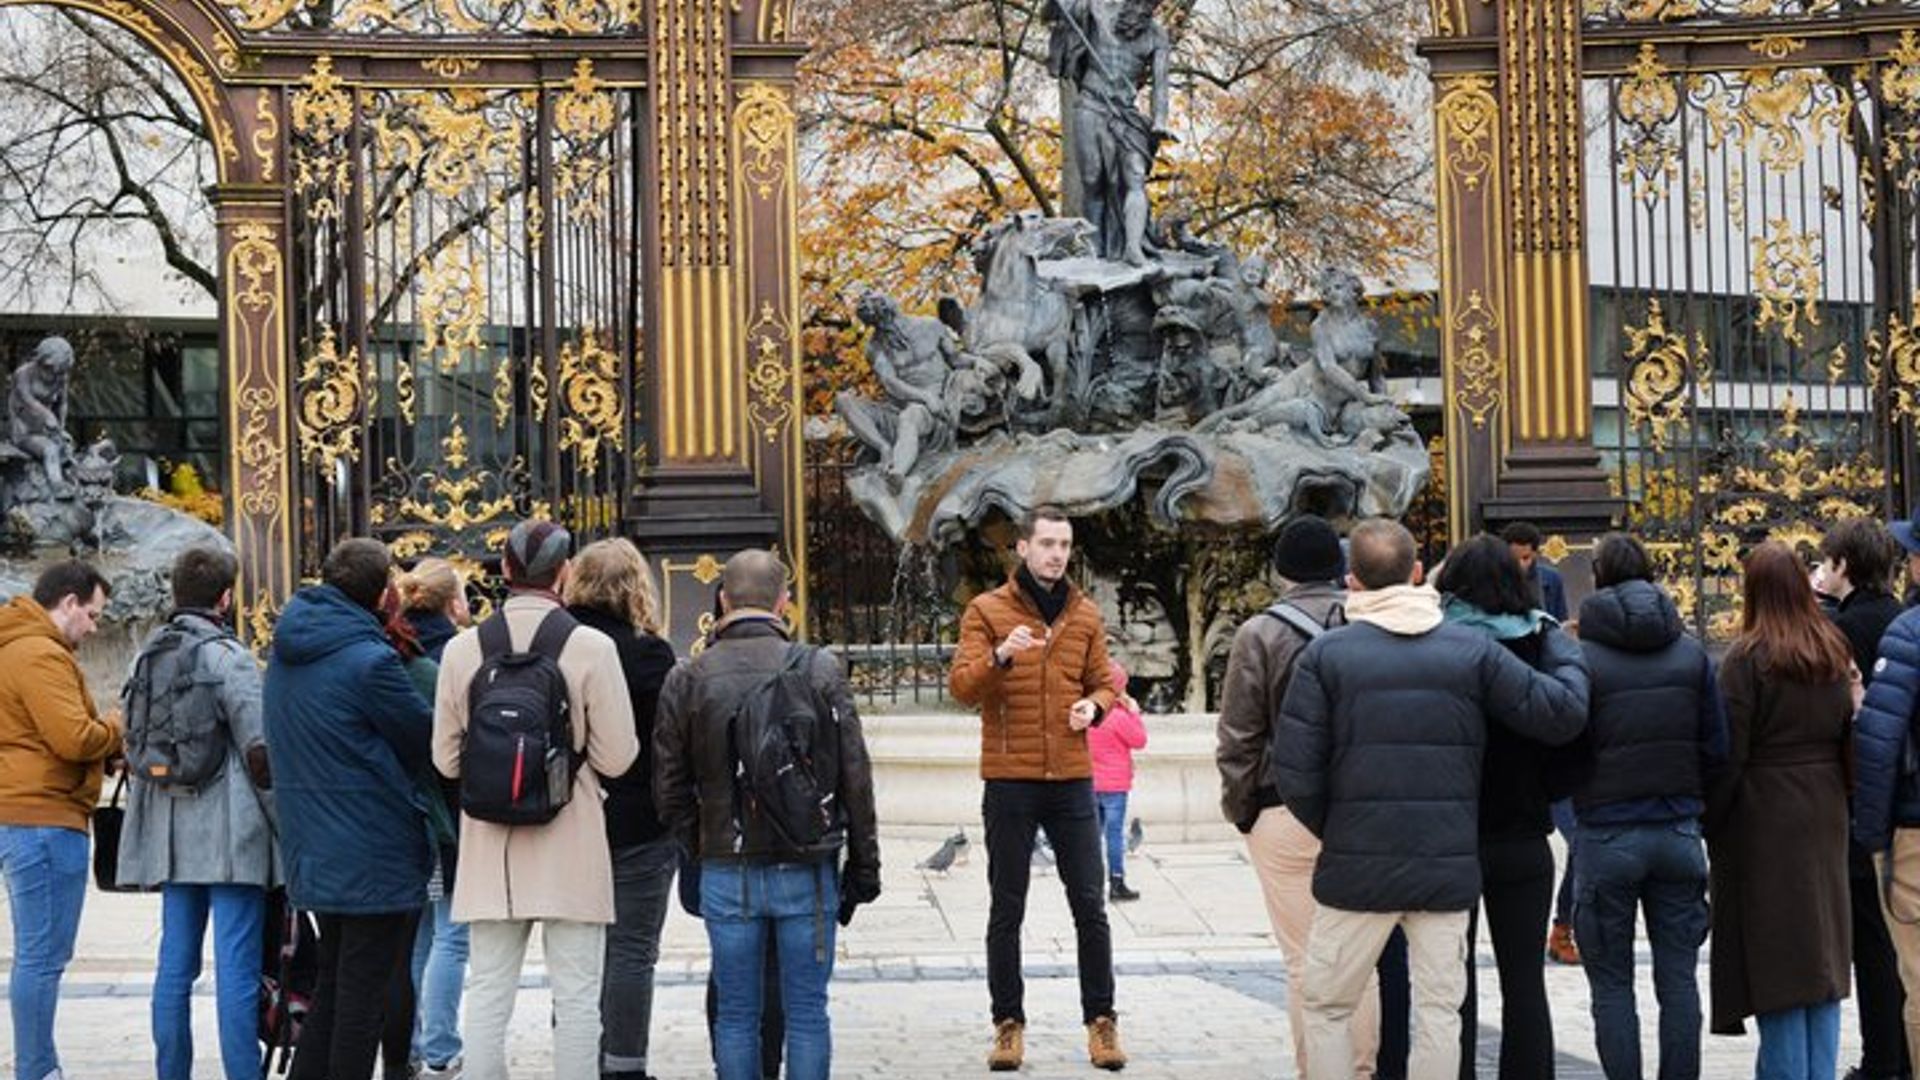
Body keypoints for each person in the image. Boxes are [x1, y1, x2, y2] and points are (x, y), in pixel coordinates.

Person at [1272, 518, 1589, 1080]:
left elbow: (1296, 771)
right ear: (1417, 573)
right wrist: (1557, 640)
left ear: (1352, 580)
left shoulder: (1326, 655)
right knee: (1442, 1009)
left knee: (1328, 1004)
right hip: (1447, 860)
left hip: (1358, 865)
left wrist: (1343, 827)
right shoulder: (1468, 650)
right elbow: (1559, 714)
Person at [654, 549, 881, 1080]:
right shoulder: (819, 668)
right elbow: (855, 777)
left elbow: (668, 789)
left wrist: (705, 840)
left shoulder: (687, 677)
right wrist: (864, 865)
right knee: (806, 1013)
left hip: (726, 864)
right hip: (806, 865)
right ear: (785, 602)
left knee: (736, 1015)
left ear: (721, 601)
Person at [432, 519, 639, 1080]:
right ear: (565, 574)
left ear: (504, 571)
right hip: (569, 839)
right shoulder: (592, 647)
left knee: (489, 994)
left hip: (490, 849)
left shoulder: (462, 650)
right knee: (576, 1001)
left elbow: (446, 760)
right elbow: (619, 757)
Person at [949, 506, 1126, 1071]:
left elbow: (1104, 684)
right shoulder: (986, 611)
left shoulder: (1085, 614)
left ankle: (1101, 1021)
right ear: (1022, 548)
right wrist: (1001, 656)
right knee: (1007, 909)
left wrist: (1092, 708)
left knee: (1090, 907)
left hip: (1073, 780)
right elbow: (961, 687)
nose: (1057, 554)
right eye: (1046, 543)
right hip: (1010, 781)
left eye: (1064, 544)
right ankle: (1007, 1023)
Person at [1216, 513, 1384, 1079]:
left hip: (1281, 807)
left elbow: (1238, 738)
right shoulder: (1367, 627)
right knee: (1361, 966)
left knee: (1303, 963)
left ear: (1281, 572)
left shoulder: (1259, 634)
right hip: (1358, 811)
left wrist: (1242, 811)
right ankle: (1361, 1072)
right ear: (1341, 570)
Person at [263, 538, 434, 1080]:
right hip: (371, 849)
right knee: (361, 1001)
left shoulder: (286, 653)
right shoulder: (370, 662)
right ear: (383, 593)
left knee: (336, 987)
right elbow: (426, 741)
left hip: (314, 843)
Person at [1569, 533, 1725, 1080]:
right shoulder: (1690, 653)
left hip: (1607, 830)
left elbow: (1568, 741)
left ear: (1599, 577)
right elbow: (1716, 745)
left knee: (1611, 983)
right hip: (1678, 829)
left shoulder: (1582, 657)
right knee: (1679, 979)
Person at [117, 547, 274, 1080]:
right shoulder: (229, 657)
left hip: (168, 832)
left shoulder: (147, 655)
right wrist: (284, 826)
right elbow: (260, 752)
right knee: (237, 971)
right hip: (230, 837)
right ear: (226, 598)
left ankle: (172, 1073)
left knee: (174, 967)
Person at [1708, 542, 1854, 1079]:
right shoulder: (1831, 648)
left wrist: (1713, 821)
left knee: (1778, 967)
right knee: (1823, 961)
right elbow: (1846, 727)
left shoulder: (1748, 658)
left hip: (1766, 815)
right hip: (1826, 808)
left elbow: (1730, 753)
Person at [1432, 535, 1567, 1079]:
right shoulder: (1540, 641)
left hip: (1455, 833)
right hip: (1523, 830)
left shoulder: (1439, 646)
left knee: (1451, 980)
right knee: (1524, 982)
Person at [564, 538, 679, 1080]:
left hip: (564, 821)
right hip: (638, 822)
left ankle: (577, 1060)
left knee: (576, 958)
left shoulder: (556, 645)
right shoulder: (649, 653)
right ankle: (624, 1065)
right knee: (632, 952)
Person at [0, 559, 119, 1080]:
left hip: (29, 810)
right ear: (68, 602)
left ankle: (38, 1065)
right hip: (44, 816)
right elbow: (72, 738)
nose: (93, 628)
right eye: (91, 615)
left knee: (38, 953)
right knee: (42, 956)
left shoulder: (17, 646)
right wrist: (117, 727)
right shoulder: (39, 654)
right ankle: (37, 1069)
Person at [1816, 519, 1911, 1080]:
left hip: (1860, 800)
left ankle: (1884, 1061)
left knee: (1872, 948)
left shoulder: (1843, 629)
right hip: (1905, 796)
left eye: (1829, 561)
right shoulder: (1901, 618)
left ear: (1844, 566)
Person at [396, 557, 470, 1080]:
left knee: (420, 933)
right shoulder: (451, 657)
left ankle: (414, 1040)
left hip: (403, 811)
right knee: (453, 933)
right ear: (451, 604)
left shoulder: (394, 649)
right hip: (443, 814)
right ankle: (441, 1043)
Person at [1855, 507, 1920, 1078]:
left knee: (1919, 976)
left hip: (1914, 828)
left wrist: (1871, 839)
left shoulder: (1909, 632)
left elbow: (1878, 745)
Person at [1500, 520, 1579, 966]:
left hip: (1546, 728)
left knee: (1580, 842)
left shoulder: (1548, 582)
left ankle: (1563, 925)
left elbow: (1558, 633)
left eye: (1529, 555)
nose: (1523, 563)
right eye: (1517, 554)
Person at [1043, 0, 1170, 265]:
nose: (1143, 11)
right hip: (1090, 104)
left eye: (1150, 8)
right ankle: (1096, 248)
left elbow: (1160, 84)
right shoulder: (1097, 9)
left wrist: (1159, 119)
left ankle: (1133, 247)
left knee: (1135, 174)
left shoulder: (1157, 36)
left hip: (1126, 114)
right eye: (1140, 5)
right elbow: (1051, 13)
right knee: (1092, 179)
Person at [1089, 659, 1146, 902]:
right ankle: (1116, 881)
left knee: (1092, 835)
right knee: (1114, 834)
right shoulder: (1120, 716)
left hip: (1090, 783)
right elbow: (1140, 740)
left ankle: (1090, 885)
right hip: (1115, 786)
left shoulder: (1089, 713)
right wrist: (1134, 713)